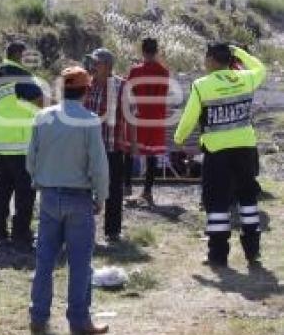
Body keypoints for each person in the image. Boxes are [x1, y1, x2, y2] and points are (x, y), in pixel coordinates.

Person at [27, 66, 109, 335]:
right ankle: (79, 320)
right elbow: (98, 166)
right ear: (87, 90)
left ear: (62, 89)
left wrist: (39, 182)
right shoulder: (90, 121)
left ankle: (38, 317)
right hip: (79, 198)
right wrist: (101, 196)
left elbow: (31, 159)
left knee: (44, 261)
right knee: (80, 263)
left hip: (49, 195)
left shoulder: (42, 117)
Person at [175, 43, 266, 267]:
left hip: (217, 153)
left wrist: (179, 140)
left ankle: (217, 255)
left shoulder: (201, 86)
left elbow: (189, 119)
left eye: (206, 57)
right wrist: (240, 53)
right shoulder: (245, 78)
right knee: (248, 198)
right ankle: (252, 250)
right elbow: (261, 68)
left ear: (213, 60)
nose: (204, 61)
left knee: (217, 202)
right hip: (245, 149)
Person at [0, 42, 42, 247]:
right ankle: (21, 233)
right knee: (24, 190)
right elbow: (38, 99)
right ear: (18, 55)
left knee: (1, 188)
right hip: (19, 142)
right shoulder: (18, 73)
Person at [84, 48, 129, 242]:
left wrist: (133, 143)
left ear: (108, 66)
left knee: (113, 190)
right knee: (84, 186)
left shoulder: (122, 86)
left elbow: (131, 116)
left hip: (112, 146)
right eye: (92, 62)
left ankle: (112, 231)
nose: (92, 66)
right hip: (87, 147)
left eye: (97, 63)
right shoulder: (86, 84)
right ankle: (83, 229)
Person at [126, 38, 170, 204]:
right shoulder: (164, 71)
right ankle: (147, 191)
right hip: (157, 116)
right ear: (156, 51)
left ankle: (127, 187)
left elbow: (128, 92)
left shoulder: (135, 71)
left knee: (131, 150)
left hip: (139, 115)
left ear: (142, 51)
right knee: (152, 155)